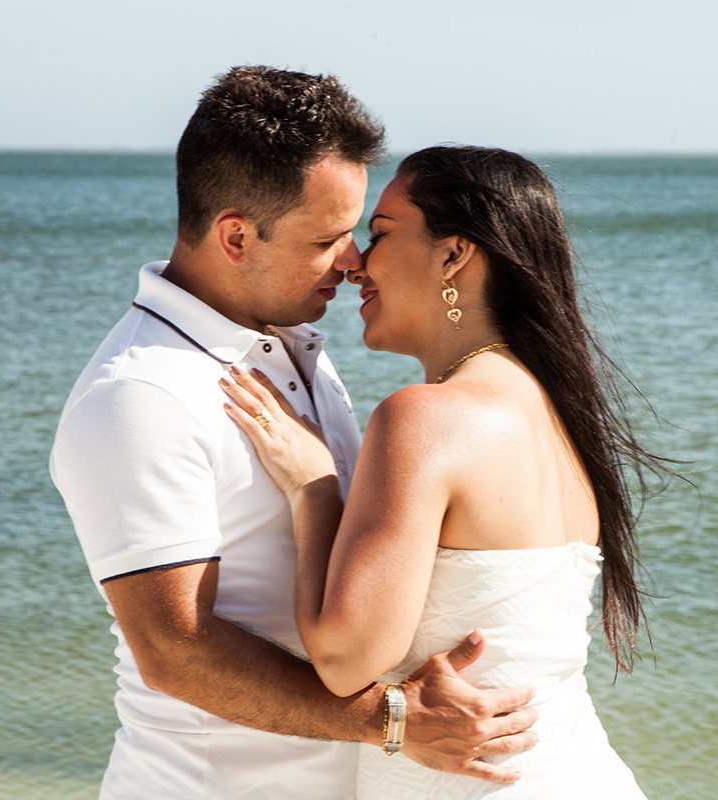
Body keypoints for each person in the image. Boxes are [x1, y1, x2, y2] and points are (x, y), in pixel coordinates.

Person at [49, 69, 537, 800]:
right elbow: (173, 651)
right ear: (237, 236)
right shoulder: (141, 395)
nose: (354, 262)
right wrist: (394, 720)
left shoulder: (294, 346)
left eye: (357, 231)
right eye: (329, 238)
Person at [221, 145, 674, 798]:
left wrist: (313, 487)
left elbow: (346, 660)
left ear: (454, 254)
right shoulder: (558, 414)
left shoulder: (426, 419)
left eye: (378, 236)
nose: (354, 264)